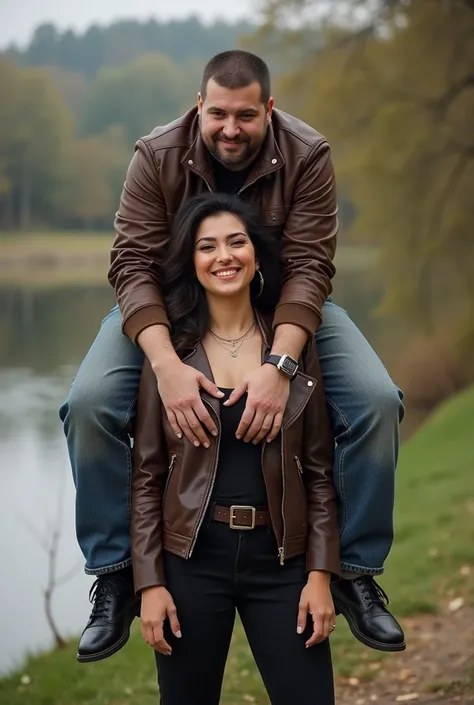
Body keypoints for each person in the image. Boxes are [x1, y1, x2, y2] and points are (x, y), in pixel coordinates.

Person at [59, 50, 405, 664]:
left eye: (246, 115)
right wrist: (165, 365)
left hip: (287, 306)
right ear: (199, 106)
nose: (231, 128)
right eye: (218, 113)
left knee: (378, 401)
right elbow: (133, 266)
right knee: (87, 405)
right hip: (166, 307)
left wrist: (280, 367)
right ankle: (113, 573)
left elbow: (309, 268)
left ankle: (353, 569)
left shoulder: (309, 154)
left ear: (268, 110)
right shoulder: (156, 155)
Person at [132, 192, 339, 705]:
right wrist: (149, 584)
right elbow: (146, 474)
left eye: (235, 242)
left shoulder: (292, 349)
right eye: (207, 246)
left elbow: (317, 470)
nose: (224, 256)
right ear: (191, 261)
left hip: (283, 563)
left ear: (255, 255)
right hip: (191, 560)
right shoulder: (170, 357)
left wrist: (319, 575)